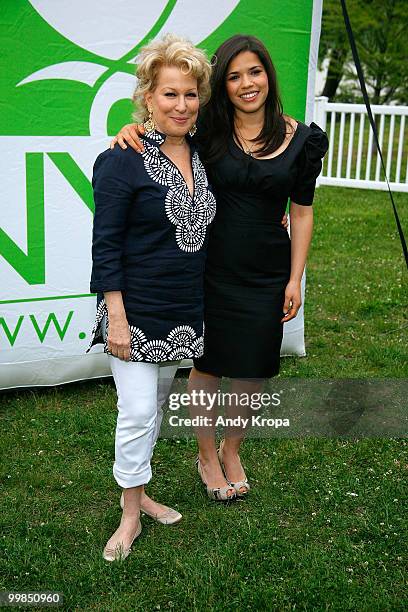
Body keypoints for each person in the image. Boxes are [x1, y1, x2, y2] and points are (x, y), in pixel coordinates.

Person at [112, 35, 329, 502]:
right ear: (221, 86)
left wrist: (295, 278)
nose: (247, 84)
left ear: (269, 75)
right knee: (207, 366)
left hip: (267, 272)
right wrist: (128, 133)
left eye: (255, 72)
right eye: (233, 76)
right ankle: (206, 455)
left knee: (253, 369)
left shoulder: (303, 140)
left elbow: (304, 211)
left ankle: (233, 450)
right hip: (207, 269)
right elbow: (158, 136)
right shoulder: (206, 131)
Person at [87, 33, 217, 561]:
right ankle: (129, 514)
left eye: (190, 94)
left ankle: (144, 492)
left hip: (182, 308)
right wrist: (114, 316)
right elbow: (106, 245)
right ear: (147, 96)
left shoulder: (204, 152)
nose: (181, 105)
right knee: (138, 410)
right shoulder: (122, 157)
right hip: (132, 310)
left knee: (157, 406)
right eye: (169, 94)